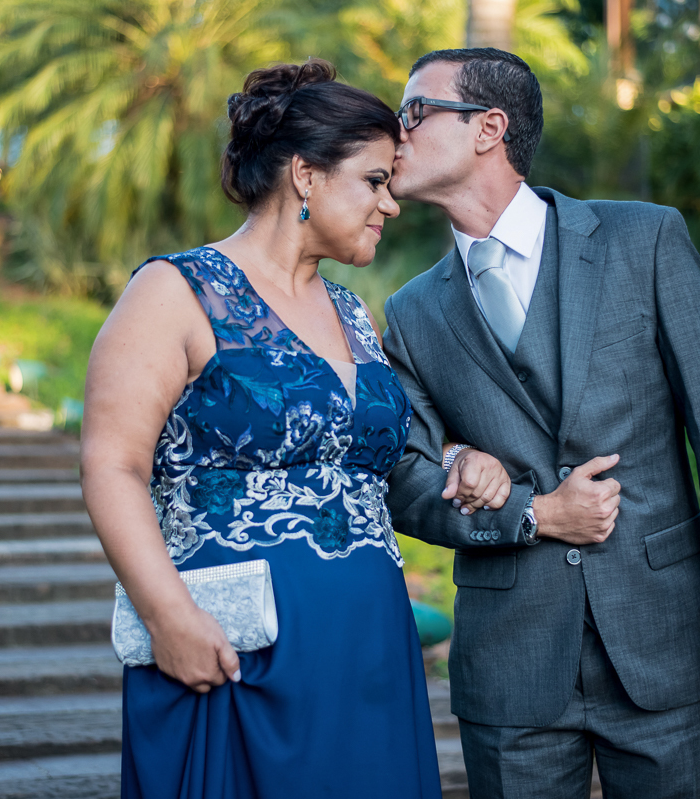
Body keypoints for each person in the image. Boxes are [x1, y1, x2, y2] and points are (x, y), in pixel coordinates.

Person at [81, 59, 507, 799]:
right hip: (234, 652)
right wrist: (168, 616)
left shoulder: (352, 313)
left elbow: (367, 448)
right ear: (306, 176)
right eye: (376, 181)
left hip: (369, 644)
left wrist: (460, 456)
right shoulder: (175, 292)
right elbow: (111, 465)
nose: (392, 204)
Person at [381, 47, 700, 797]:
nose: (395, 131)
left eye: (415, 111)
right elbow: (404, 479)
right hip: (511, 668)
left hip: (663, 643)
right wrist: (531, 514)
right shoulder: (412, 312)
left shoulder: (646, 241)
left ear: (488, 128)